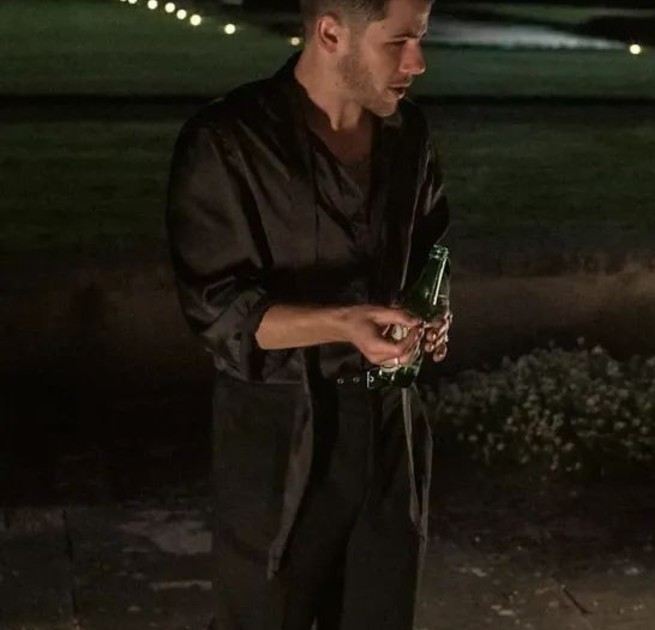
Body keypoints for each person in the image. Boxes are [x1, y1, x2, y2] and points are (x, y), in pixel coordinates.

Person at [166, 0, 450, 627]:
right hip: (279, 437)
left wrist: (430, 312)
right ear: (330, 33)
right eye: (398, 42)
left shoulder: (409, 135)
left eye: (422, 38)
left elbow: (431, 246)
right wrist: (343, 323)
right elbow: (220, 312)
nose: (418, 62)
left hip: (389, 432)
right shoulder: (229, 141)